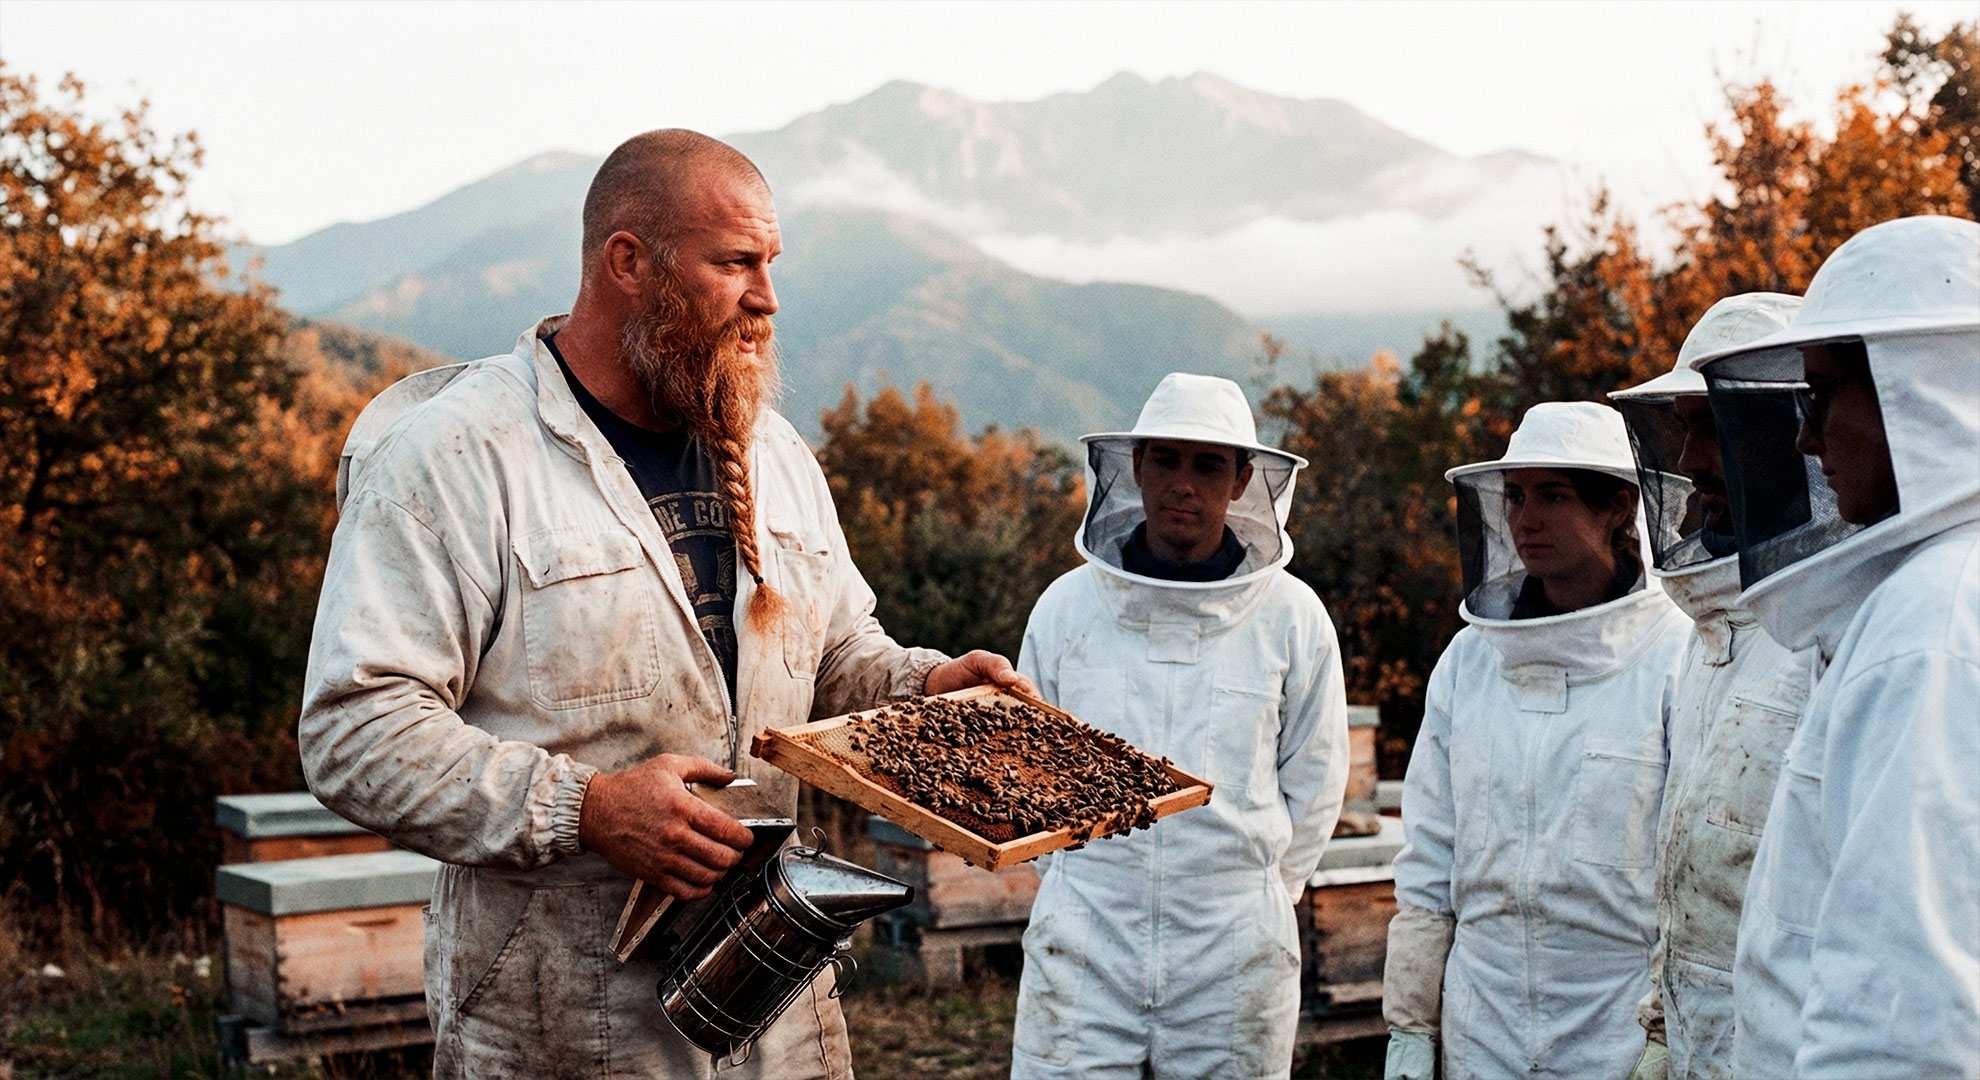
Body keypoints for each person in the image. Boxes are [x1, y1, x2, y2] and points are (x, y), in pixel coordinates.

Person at [298, 129, 1030, 1079]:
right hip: (561, 1020)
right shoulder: (457, 457)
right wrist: (589, 809)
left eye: (770, 264)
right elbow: (357, 729)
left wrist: (924, 687)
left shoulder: (775, 453)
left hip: (777, 996)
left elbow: (832, 651)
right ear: (628, 263)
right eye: (735, 263)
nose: (767, 297)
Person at [1689, 214, 1979, 1077]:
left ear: (1918, 386)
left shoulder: (1932, 621)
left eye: (1820, 398)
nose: (1806, 440)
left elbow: (1905, 1020)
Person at [1010, 372, 1351, 1080]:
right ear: (1135, 467)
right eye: (1165, 460)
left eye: (1208, 466)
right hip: (1086, 943)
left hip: (1233, 952)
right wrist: (1084, 883)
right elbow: (1030, 775)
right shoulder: (1066, 609)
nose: (1183, 485)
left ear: (1242, 479)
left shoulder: (1292, 617)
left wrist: (1252, 894)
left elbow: (1316, 784)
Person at [1383, 401, 1691, 1080]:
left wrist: (1667, 1033)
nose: (1525, 520)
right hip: (1483, 1019)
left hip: (1616, 1024)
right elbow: (1429, 854)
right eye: (1516, 496)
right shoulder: (1469, 660)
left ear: (1617, 508)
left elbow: (1691, 876)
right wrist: (1410, 1022)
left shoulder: (1676, 655)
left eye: (1552, 496)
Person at [1608, 293, 1814, 1080]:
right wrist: (1663, 1032)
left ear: (1802, 432)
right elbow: (1694, 874)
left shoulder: (1835, 633)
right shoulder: (1709, 635)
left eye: (1720, 426)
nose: (1692, 459)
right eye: (1686, 427)